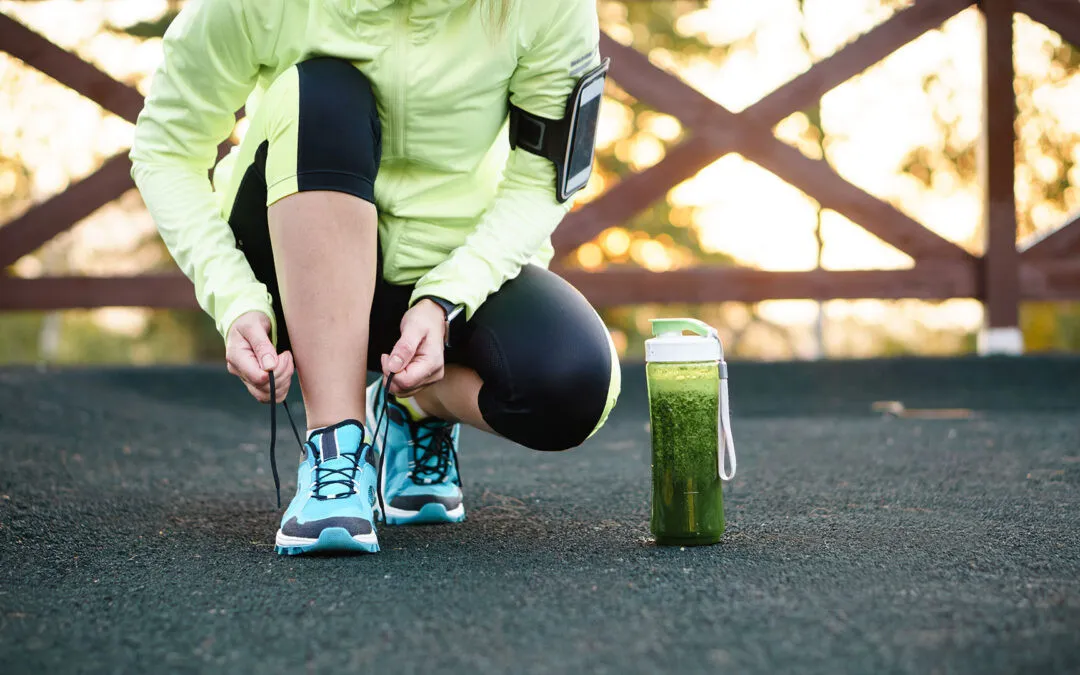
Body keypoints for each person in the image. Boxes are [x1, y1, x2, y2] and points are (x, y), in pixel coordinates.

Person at [130, 0, 621, 555]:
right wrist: (235, 296)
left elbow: (542, 179)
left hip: (449, 268)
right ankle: (335, 448)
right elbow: (165, 149)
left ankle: (415, 404)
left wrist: (448, 297)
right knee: (327, 92)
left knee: (573, 387)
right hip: (291, 261)